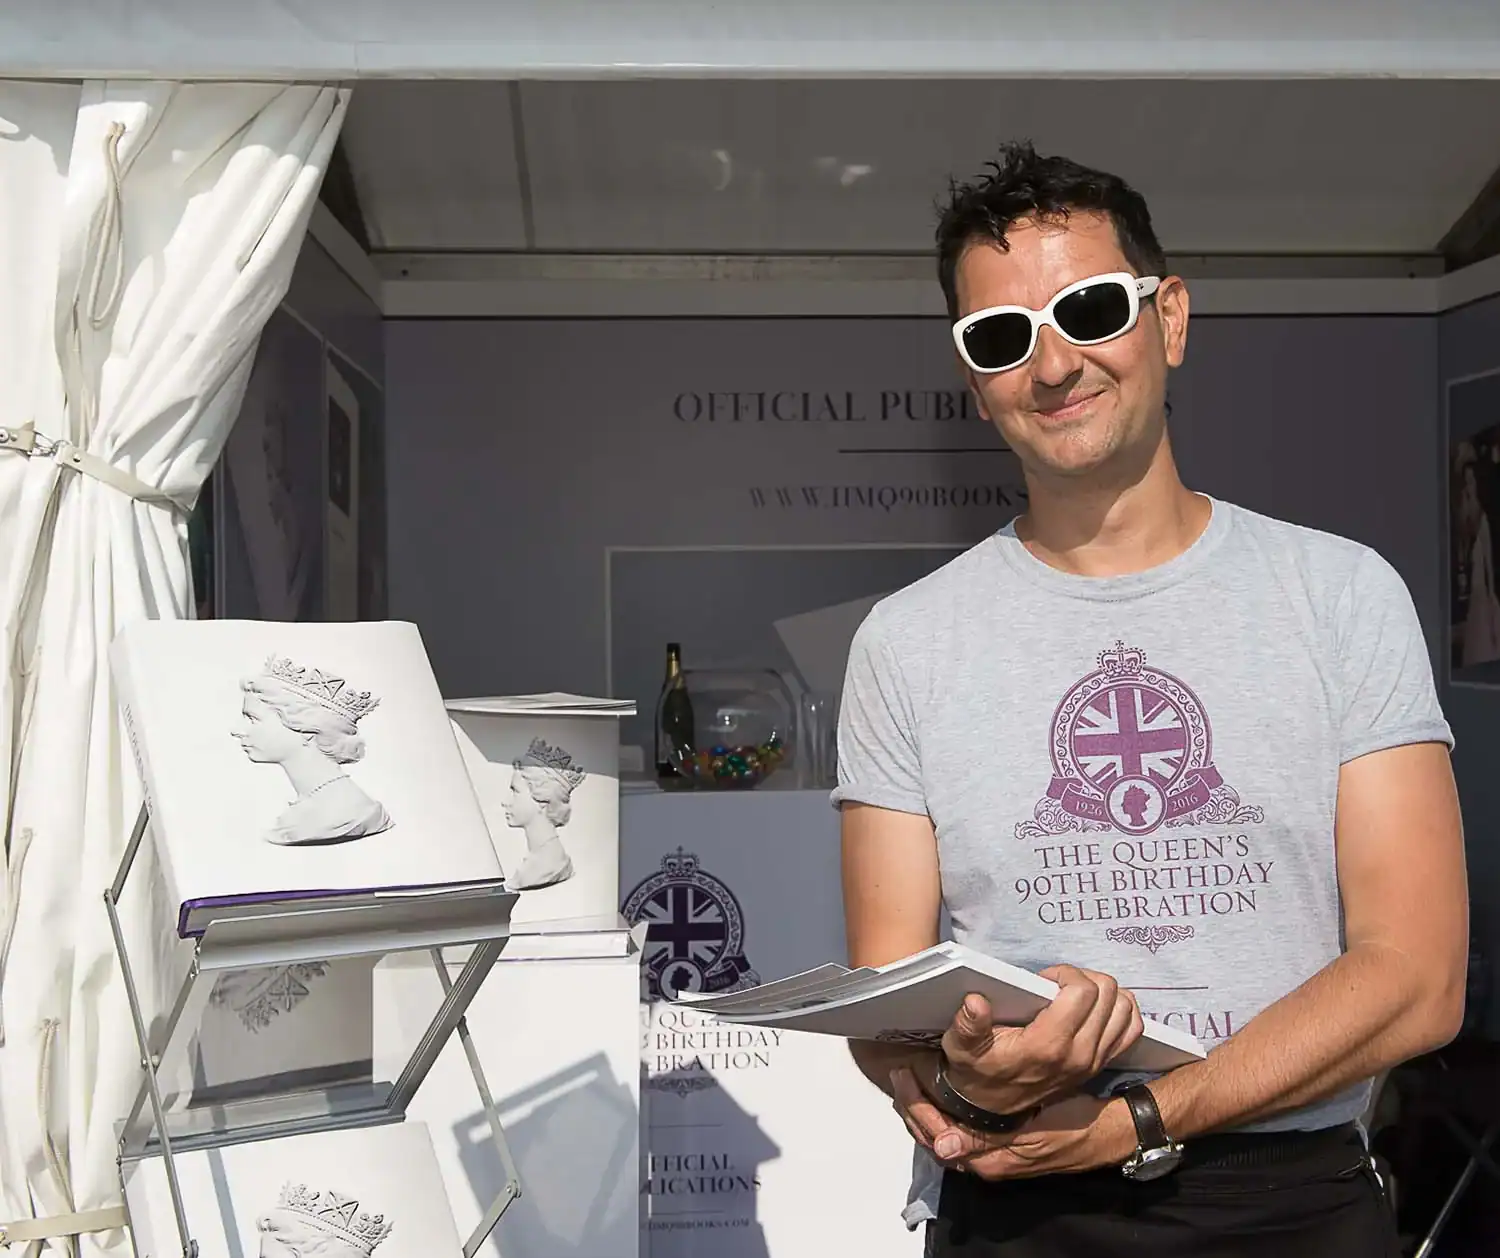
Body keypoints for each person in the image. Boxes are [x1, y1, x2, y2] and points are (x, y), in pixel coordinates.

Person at [831, 141, 1469, 1256]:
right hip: (1022, 1206)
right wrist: (963, 1078)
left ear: (1169, 318)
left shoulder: (1340, 595)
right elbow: (889, 1006)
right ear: (974, 384)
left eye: (1087, 308)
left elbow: (1419, 977)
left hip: (1291, 1202)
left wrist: (1136, 1115)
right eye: (1002, 336)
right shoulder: (904, 642)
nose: (1054, 362)